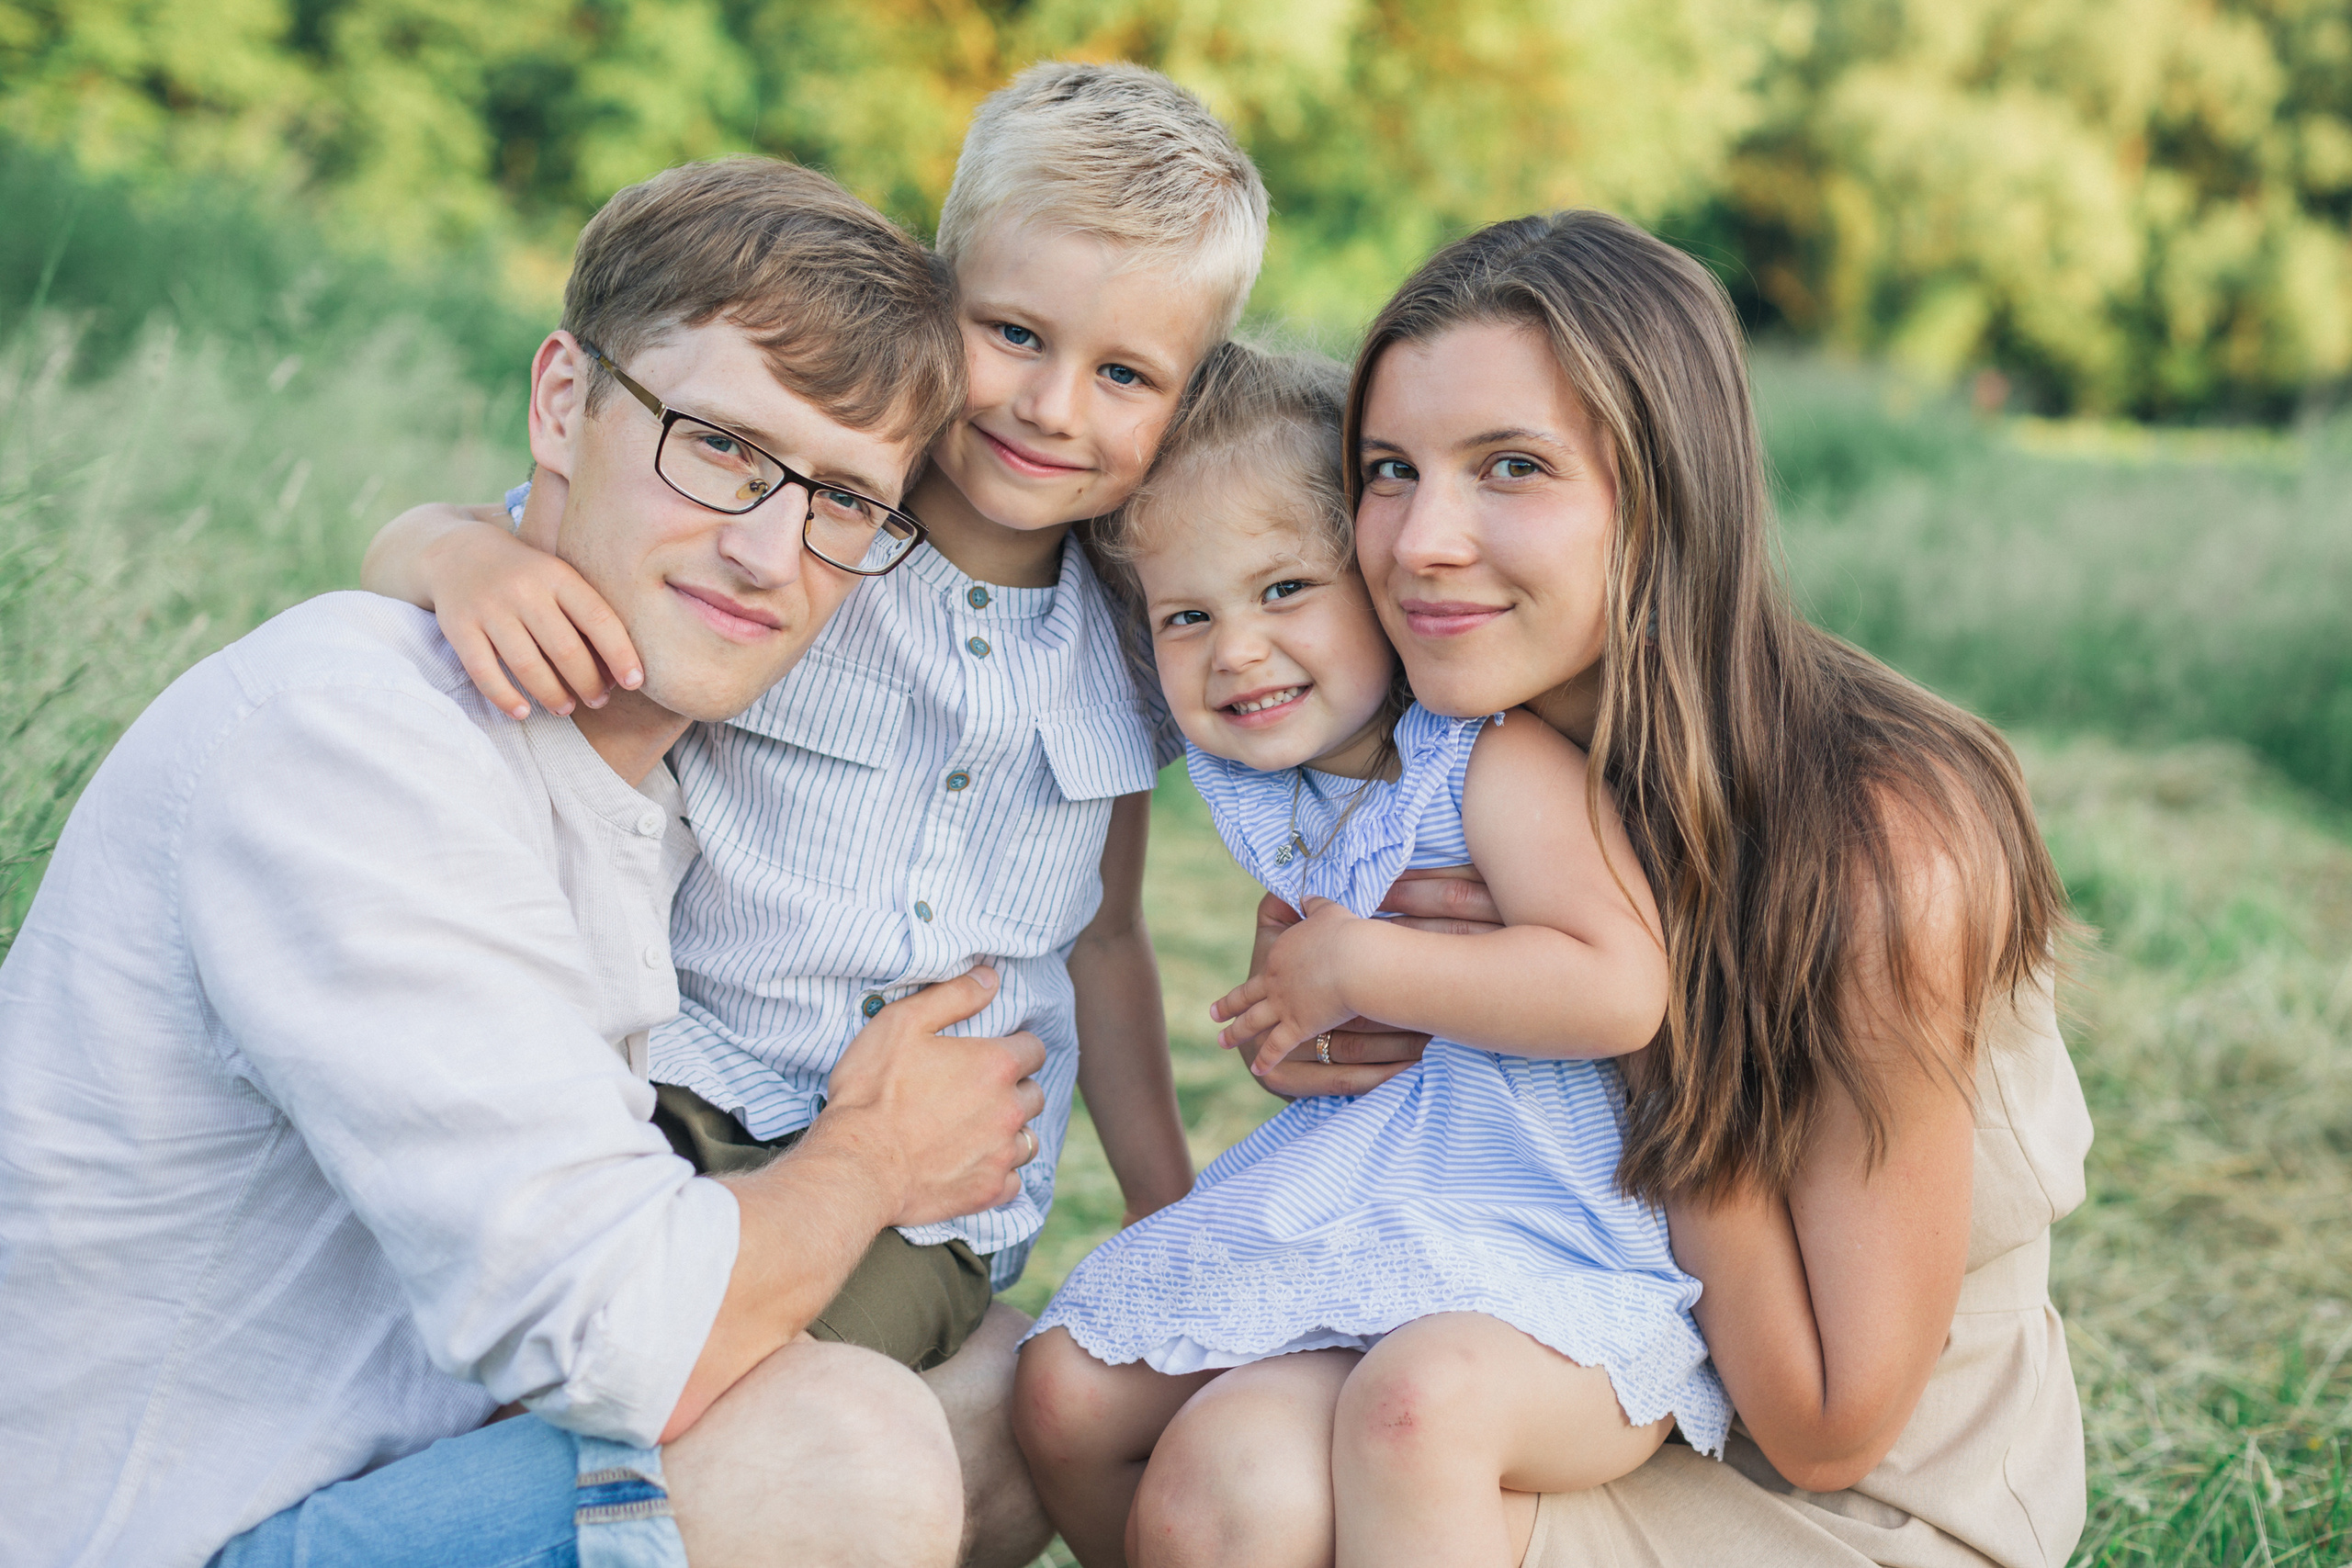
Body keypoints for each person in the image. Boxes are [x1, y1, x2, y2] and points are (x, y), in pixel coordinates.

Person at [0, 156, 1050, 1568]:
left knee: (1007, 1394)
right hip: (154, 1532)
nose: (769, 552)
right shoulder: (351, 745)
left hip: (385, 1472)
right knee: (837, 1451)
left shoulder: (669, 784)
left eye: (844, 499)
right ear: (563, 401)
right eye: (721, 446)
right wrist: (876, 1156)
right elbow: (629, 1343)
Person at [1047, 211, 2095, 1567]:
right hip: (1584, 1361)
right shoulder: (1456, 767)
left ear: (1664, 492)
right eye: (1388, 471)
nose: (1422, 540)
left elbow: (1827, 1427)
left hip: (1867, 1496)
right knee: (1217, 1481)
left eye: (1513, 467)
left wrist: (1610, 1040)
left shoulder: (1878, 846)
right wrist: (1363, 1032)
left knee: (1401, 1418)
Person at [359, 75, 1272, 1399]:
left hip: (934, 1198)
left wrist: (1163, 1203)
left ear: (1185, 398)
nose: (1052, 405)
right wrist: (457, 558)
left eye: (1124, 374)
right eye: (1014, 333)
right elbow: (460, 532)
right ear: (937, 301)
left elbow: (1106, 933)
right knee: (562, 1337)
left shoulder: (1136, 638)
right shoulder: (791, 539)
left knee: (758, 1389)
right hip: (677, 1083)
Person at [1012, 343, 1731, 1568]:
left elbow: (1620, 988)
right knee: (1062, 1395)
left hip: (1538, 1242)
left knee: (1408, 1414)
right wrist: (1295, 1025)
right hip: (1364, 1207)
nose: (1238, 651)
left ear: (1382, 586)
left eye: (1286, 589)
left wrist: (1359, 969)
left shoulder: (1487, 761)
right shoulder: (1280, 791)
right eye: (1188, 617)